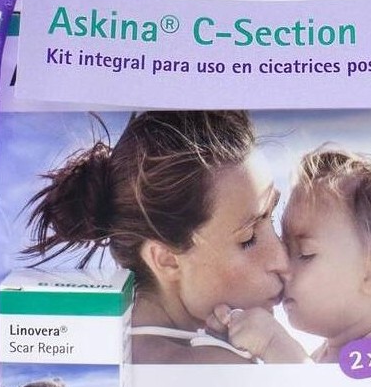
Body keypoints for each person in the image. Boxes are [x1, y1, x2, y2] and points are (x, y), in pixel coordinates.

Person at [25, 111, 288, 364]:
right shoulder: (221, 367)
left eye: (273, 219)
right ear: (165, 259)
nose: (283, 260)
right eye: (248, 238)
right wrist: (278, 347)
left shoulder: (100, 352)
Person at [216, 147, 371, 364]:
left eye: (305, 253)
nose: (283, 265)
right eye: (286, 248)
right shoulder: (321, 355)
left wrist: (272, 343)